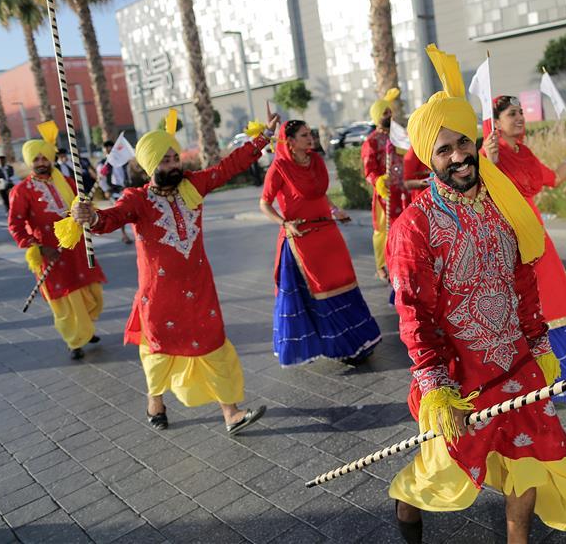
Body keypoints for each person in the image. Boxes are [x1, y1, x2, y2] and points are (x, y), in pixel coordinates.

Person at [388, 45, 566, 544]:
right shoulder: (414, 226)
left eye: (463, 143)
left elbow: (523, 281)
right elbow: (414, 312)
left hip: (516, 360)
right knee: (443, 472)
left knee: (530, 458)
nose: (458, 157)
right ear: (429, 157)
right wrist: (436, 385)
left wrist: (538, 343)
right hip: (458, 373)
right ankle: (407, 502)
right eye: (444, 150)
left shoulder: (503, 204)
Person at [69, 109, 268, 434]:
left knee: (214, 344)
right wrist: (90, 217)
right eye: (165, 161)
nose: (174, 165)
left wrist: (261, 139)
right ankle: (155, 401)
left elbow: (227, 168)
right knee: (159, 351)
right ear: (150, 165)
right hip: (159, 295)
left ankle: (231, 412)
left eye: (175, 158)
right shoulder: (137, 199)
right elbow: (112, 218)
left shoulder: (192, 186)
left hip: (200, 288)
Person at [481, 95, 566, 404]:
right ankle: (547, 384)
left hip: (538, 236)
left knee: (561, 302)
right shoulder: (486, 155)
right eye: (512, 113)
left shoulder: (524, 153)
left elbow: (556, 178)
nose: (520, 117)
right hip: (512, 240)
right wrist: (489, 164)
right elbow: (480, 195)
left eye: (521, 112)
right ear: (496, 122)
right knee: (537, 308)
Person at [259, 119, 381, 365]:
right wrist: (284, 223)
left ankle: (359, 341)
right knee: (321, 291)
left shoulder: (315, 161)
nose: (310, 138)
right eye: (304, 135)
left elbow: (319, 194)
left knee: (345, 282)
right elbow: (264, 203)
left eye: (310, 133)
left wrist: (335, 210)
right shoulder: (279, 167)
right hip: (302, 239)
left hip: (328, 232)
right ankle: (340, 346)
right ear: (290, 142)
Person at [8, 122, 106, 360]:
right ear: (29, 162)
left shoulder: (69, 181)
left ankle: (86, 329)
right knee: (64, 300)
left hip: (76, 247)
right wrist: (40, 248)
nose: (41, 162)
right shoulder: (21, 191)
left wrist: (88, 209)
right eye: (36, 159)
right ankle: (75, 341)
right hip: (50, 252)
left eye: (44, 158)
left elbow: (82, 204)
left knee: (91, 292)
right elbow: (15, 225)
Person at [361, 88, 408, 282]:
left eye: (390, 112)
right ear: (376, 116)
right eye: (384, 113)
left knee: (404, 227)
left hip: (403, 190)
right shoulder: (371, 142)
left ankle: (402, 261)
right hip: (385, 194)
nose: (389, 115)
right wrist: (379, 181)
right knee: (382, 231)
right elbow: (369, 171)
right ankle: (381, 265)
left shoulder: (398, 134)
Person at [97, 140, 133, 244]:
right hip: (114, 191)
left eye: (110, 148)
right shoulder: (103, 164)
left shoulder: (123, 161)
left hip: (125, 188)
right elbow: (101, 179)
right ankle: (124, 234)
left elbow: (128, 174)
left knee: (131, 211)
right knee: (120, 212)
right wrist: (106, 190)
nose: (109, 150)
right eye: (106, 149)